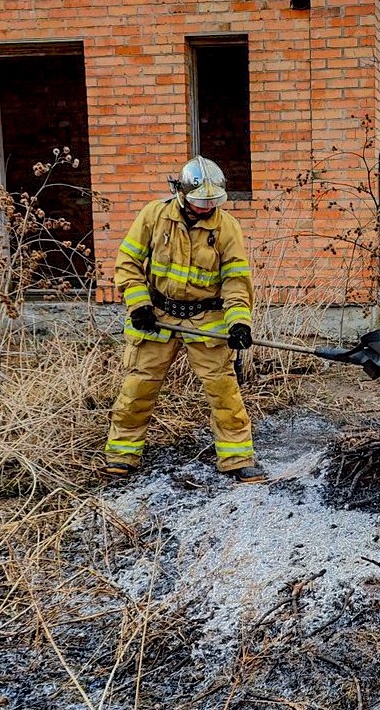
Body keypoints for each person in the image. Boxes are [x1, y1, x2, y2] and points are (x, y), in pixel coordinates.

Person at [104, 156, 267, 483]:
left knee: (224, 390)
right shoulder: (154, 215)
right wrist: (139, 304)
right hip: (158, 317)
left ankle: (236, 457)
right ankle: (122, 455)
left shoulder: (226, 226)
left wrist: (238, 323)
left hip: (206, 318)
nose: (206, 209)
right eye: (201, 202)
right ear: (181, 193)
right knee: (138, 386)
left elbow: (236, 280)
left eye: (212, 203)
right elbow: (128, 262)